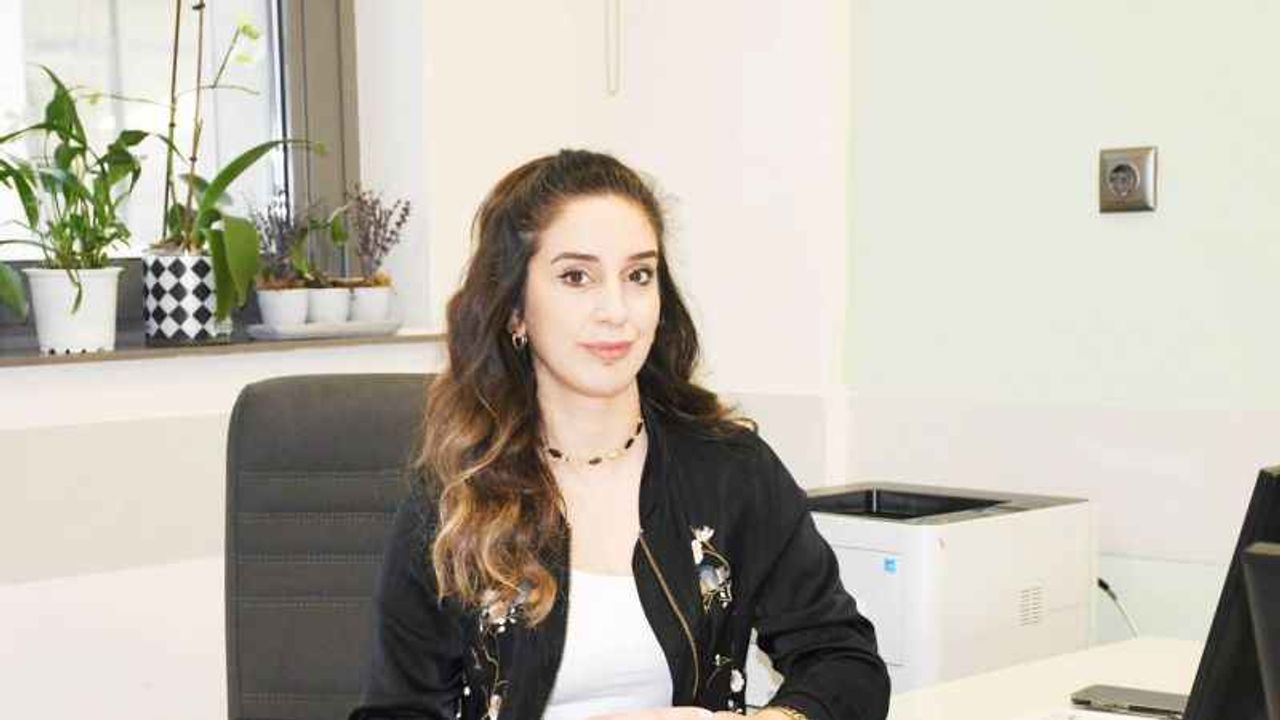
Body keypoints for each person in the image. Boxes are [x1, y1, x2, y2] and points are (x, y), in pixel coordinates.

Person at [349, 150, 890, 720]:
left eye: (638, 275)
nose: (616, 310)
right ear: (515, 311)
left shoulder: (730, 470)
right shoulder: (455, 496)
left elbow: (845, 662)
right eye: (576, 277)